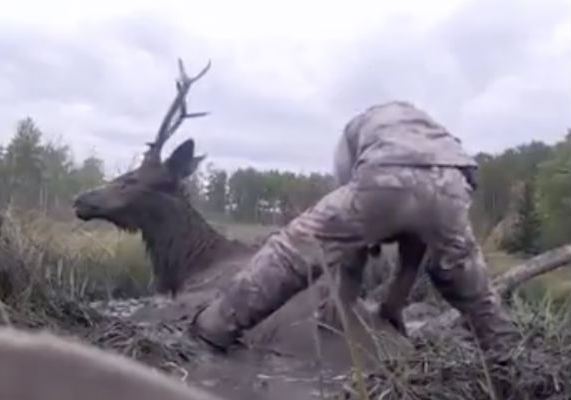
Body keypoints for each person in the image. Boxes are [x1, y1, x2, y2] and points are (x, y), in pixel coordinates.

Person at [191, 101, 518, 355]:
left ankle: (213, 327)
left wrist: (344, 296)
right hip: (453, 181)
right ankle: (514, 369)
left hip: (386, 174)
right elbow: (413, 249)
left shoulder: (355, 130)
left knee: (297, 247)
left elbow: (350, 230)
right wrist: (392, 308)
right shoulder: (426, 127)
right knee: (477, 296)